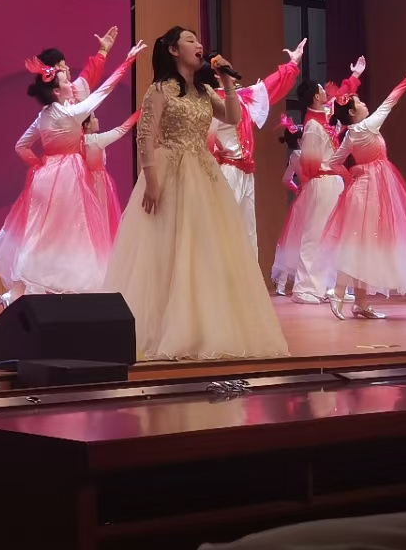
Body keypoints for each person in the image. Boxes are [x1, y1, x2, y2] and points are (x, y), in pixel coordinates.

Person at [105, 25, 289, 361]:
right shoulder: (160, 89)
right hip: (170, 169)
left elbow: (233, 116)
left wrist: (228, 82)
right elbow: (145, 135)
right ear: (173, 50)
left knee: (204, 250)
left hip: (203, 172)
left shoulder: (204, 90)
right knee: (169, 249)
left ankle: (202, 328)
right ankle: (164, 327)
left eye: (198, 40)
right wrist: (151, 180)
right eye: (190, 40)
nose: (199, 45)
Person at [0, 40, 145, 304]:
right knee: (73, 232)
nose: (70, 83)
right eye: (64, 80)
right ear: (56, 90)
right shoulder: (71, 114)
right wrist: (128, 60)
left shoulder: (44, 115)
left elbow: (21, 146)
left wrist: (39, 164)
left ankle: (20, 291)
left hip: (44, 176)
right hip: (68, 177)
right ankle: (69, 288)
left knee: (38, 234)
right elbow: (105, 90)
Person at [317, 64, 406, 319]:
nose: (365, 104)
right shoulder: (367, 126)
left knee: (364, 243)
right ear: (353, 112)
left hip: (363, 189)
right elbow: (391, 100)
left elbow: (334, 163)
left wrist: (352, 173)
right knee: (360, 244)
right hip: (371, 191)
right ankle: (339, 291)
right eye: (359, 102)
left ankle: (361, 301)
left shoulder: (350, 135)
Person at [271, 59, 365, 304]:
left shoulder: (323, 117)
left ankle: (326, 286)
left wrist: (355, 75)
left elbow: (341, 96)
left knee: (331, 235)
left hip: (332, 181)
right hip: (321, 181)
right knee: (314, 234)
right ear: (315, 96)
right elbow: (310, 165)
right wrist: (323, 176)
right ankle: (304, 289)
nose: (326, 92)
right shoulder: (313, 125)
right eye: (322, 90)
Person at [207, 39, 305, 258]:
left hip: (245, 171)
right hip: (226, 171)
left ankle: (247, 278)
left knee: (248, 232)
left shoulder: (242, 98)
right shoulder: (211, 102)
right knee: (224, 228)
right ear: (217, 74)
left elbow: (269, 87)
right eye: (225, 67)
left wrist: (292, 64)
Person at [83, 110, 139, 242]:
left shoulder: (76, 142)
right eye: (94, 118)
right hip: (98, 184)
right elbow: (122, 129)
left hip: (83, 182)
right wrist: (139, 113)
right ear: (87, 125)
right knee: (102, 217)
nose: (97, 120)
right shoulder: (97, 140)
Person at [270, 117, 302, 296]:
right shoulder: (304, 155)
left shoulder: (294, 157)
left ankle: (282, 283)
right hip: (311, 196)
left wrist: (298, 189)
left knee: (293, 240)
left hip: (303, 198)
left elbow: (286, 179)